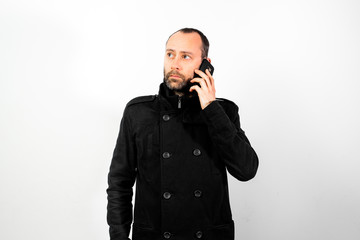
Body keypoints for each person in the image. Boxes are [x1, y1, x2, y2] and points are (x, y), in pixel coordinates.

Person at [107, 28, 259, 240]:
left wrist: (211, 108)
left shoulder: (224, 113)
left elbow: (247, 170)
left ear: (205, 64)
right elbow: (119, 184)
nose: (175, 64)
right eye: (170, 54)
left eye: (185, 56)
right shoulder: (138, 112)